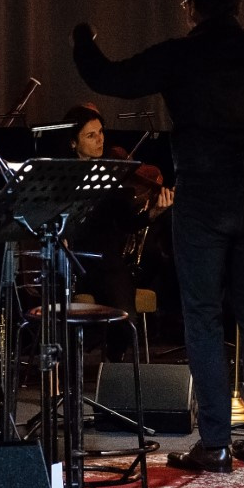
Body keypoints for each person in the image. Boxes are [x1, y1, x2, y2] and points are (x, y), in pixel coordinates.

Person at [73, 0, 244, 473]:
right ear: (237, 3)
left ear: (191, 7)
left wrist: (83, 39)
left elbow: (109, 77)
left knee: (204, 317)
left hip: (203, 202)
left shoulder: (179, 54)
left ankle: (215, 444)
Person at [61, 104, 172, 360]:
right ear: (73, 143)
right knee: (58, 306)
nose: (100, 140)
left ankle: (113, 362)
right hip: (70, 260)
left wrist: (154, 212)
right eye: (91, 135)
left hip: (105, 262)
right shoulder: (61, 176)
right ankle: (65, 366)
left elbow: (126, 223)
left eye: (101, 132)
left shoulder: (112, 174)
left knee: (126, 317)